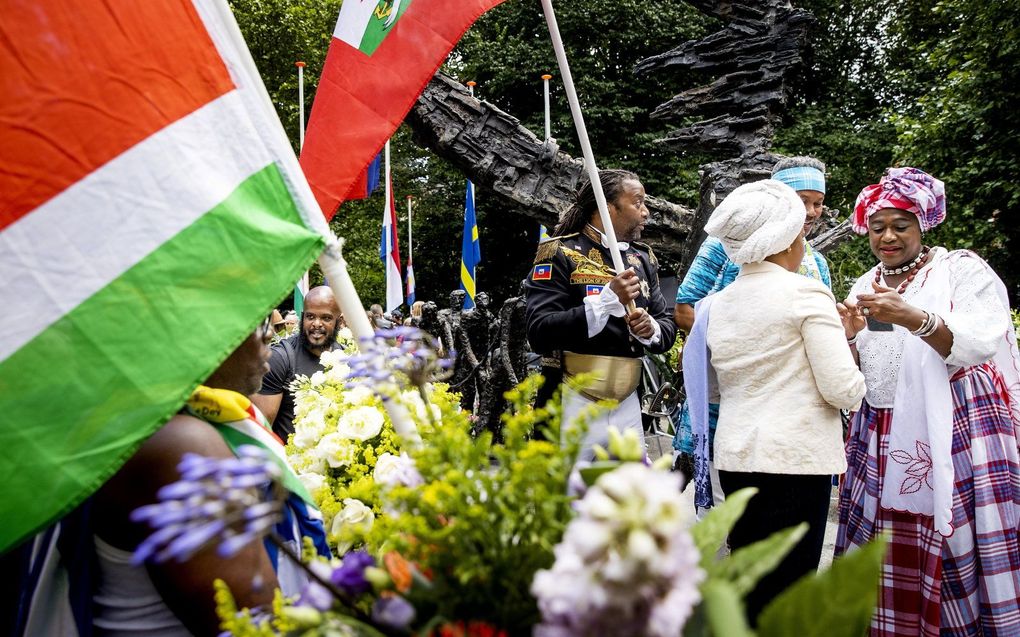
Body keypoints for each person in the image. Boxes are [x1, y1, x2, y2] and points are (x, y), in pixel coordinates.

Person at [12, 317, 330, 636]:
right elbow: (265, 627)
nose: (270, 333)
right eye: (257, 321)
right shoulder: (183, 444)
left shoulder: (162, 419)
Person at [834, 167, 1020, 636]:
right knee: (886, 541)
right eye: (878, 228)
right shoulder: (865, 284)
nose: (888, 237)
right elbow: (874, 366)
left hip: (956, 423)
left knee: (955, 536)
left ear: (923, 224)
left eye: (901, 225)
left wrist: (915, 317)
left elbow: (979, 339)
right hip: (880, 432)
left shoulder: (959, 268)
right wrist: (851, 338)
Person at [685, 179, 865, 625]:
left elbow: (713, 384)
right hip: (797, 459)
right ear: (789, 239)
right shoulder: (807, 294)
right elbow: (842, 389)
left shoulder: (716, 304)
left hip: (737, 451)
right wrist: (854, 355)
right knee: (791, 586)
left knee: (749, 573)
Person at [672, 156, 833, 510]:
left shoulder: (817, 264)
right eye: (800, 200)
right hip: (733, 401)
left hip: (795, 414)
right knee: (721, 515)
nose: (809, 212)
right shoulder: (726, 246)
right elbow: (686, 310)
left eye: (817, 203)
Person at [525, 169, 677, 460]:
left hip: (628, 401)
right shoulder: (559, 253)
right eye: (638, 202)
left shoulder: (643, 258)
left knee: (628, 499)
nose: (646, 212)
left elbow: (667, 323)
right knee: (569, 497)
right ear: (608, 207)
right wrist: (606, 302)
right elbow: (539, 332)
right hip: (572, 396)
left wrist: (651, 329)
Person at [253, 286, 342, 439]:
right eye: (310, 317)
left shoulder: (345, 358)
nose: (317, 324)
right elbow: (261, 432)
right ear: (303, 317)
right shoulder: (279, 359)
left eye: (326, 318)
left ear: (338, 321)